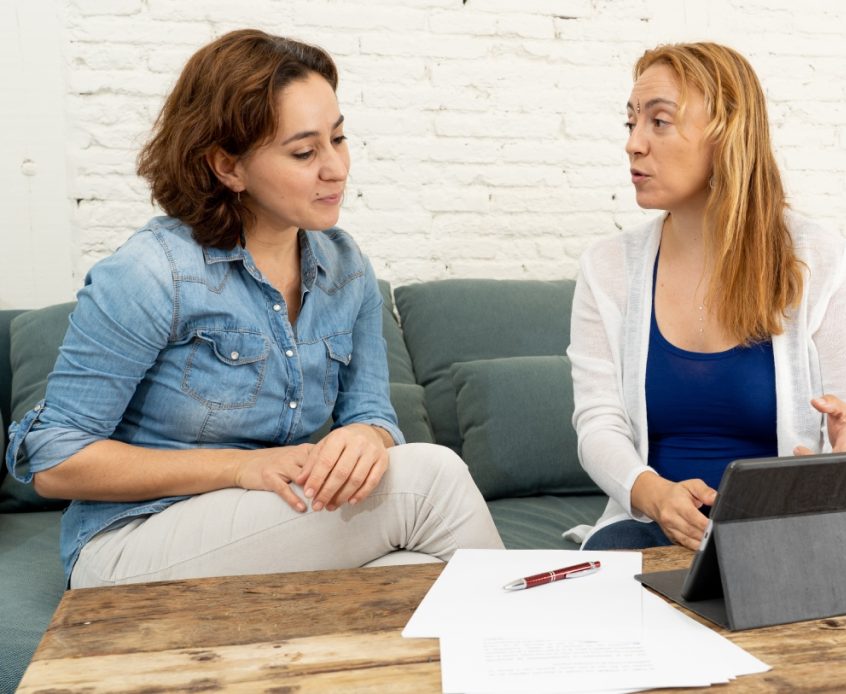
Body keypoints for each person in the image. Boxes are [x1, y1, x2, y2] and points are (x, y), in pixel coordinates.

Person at [4, 29, 503, 588]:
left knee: (419, 576)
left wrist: (365, 438)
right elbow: (54, 462)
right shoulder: (152, 273)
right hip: (133, 541)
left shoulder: (347, 268)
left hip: (269, 528)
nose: (336, 168)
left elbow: (372, 414)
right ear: (228, 166)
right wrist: (241, 468)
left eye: (338, 139)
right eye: (304, 151)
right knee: (430, 479)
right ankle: (542, 659)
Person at [568, 42, 846, 551]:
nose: (633, 144)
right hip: (652, 528)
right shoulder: (606, 268)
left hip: (785, 532)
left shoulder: (821, 259)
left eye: (659, 122)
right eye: (630, 123)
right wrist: (654, 495)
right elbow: (598, 424)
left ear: (727, 135)